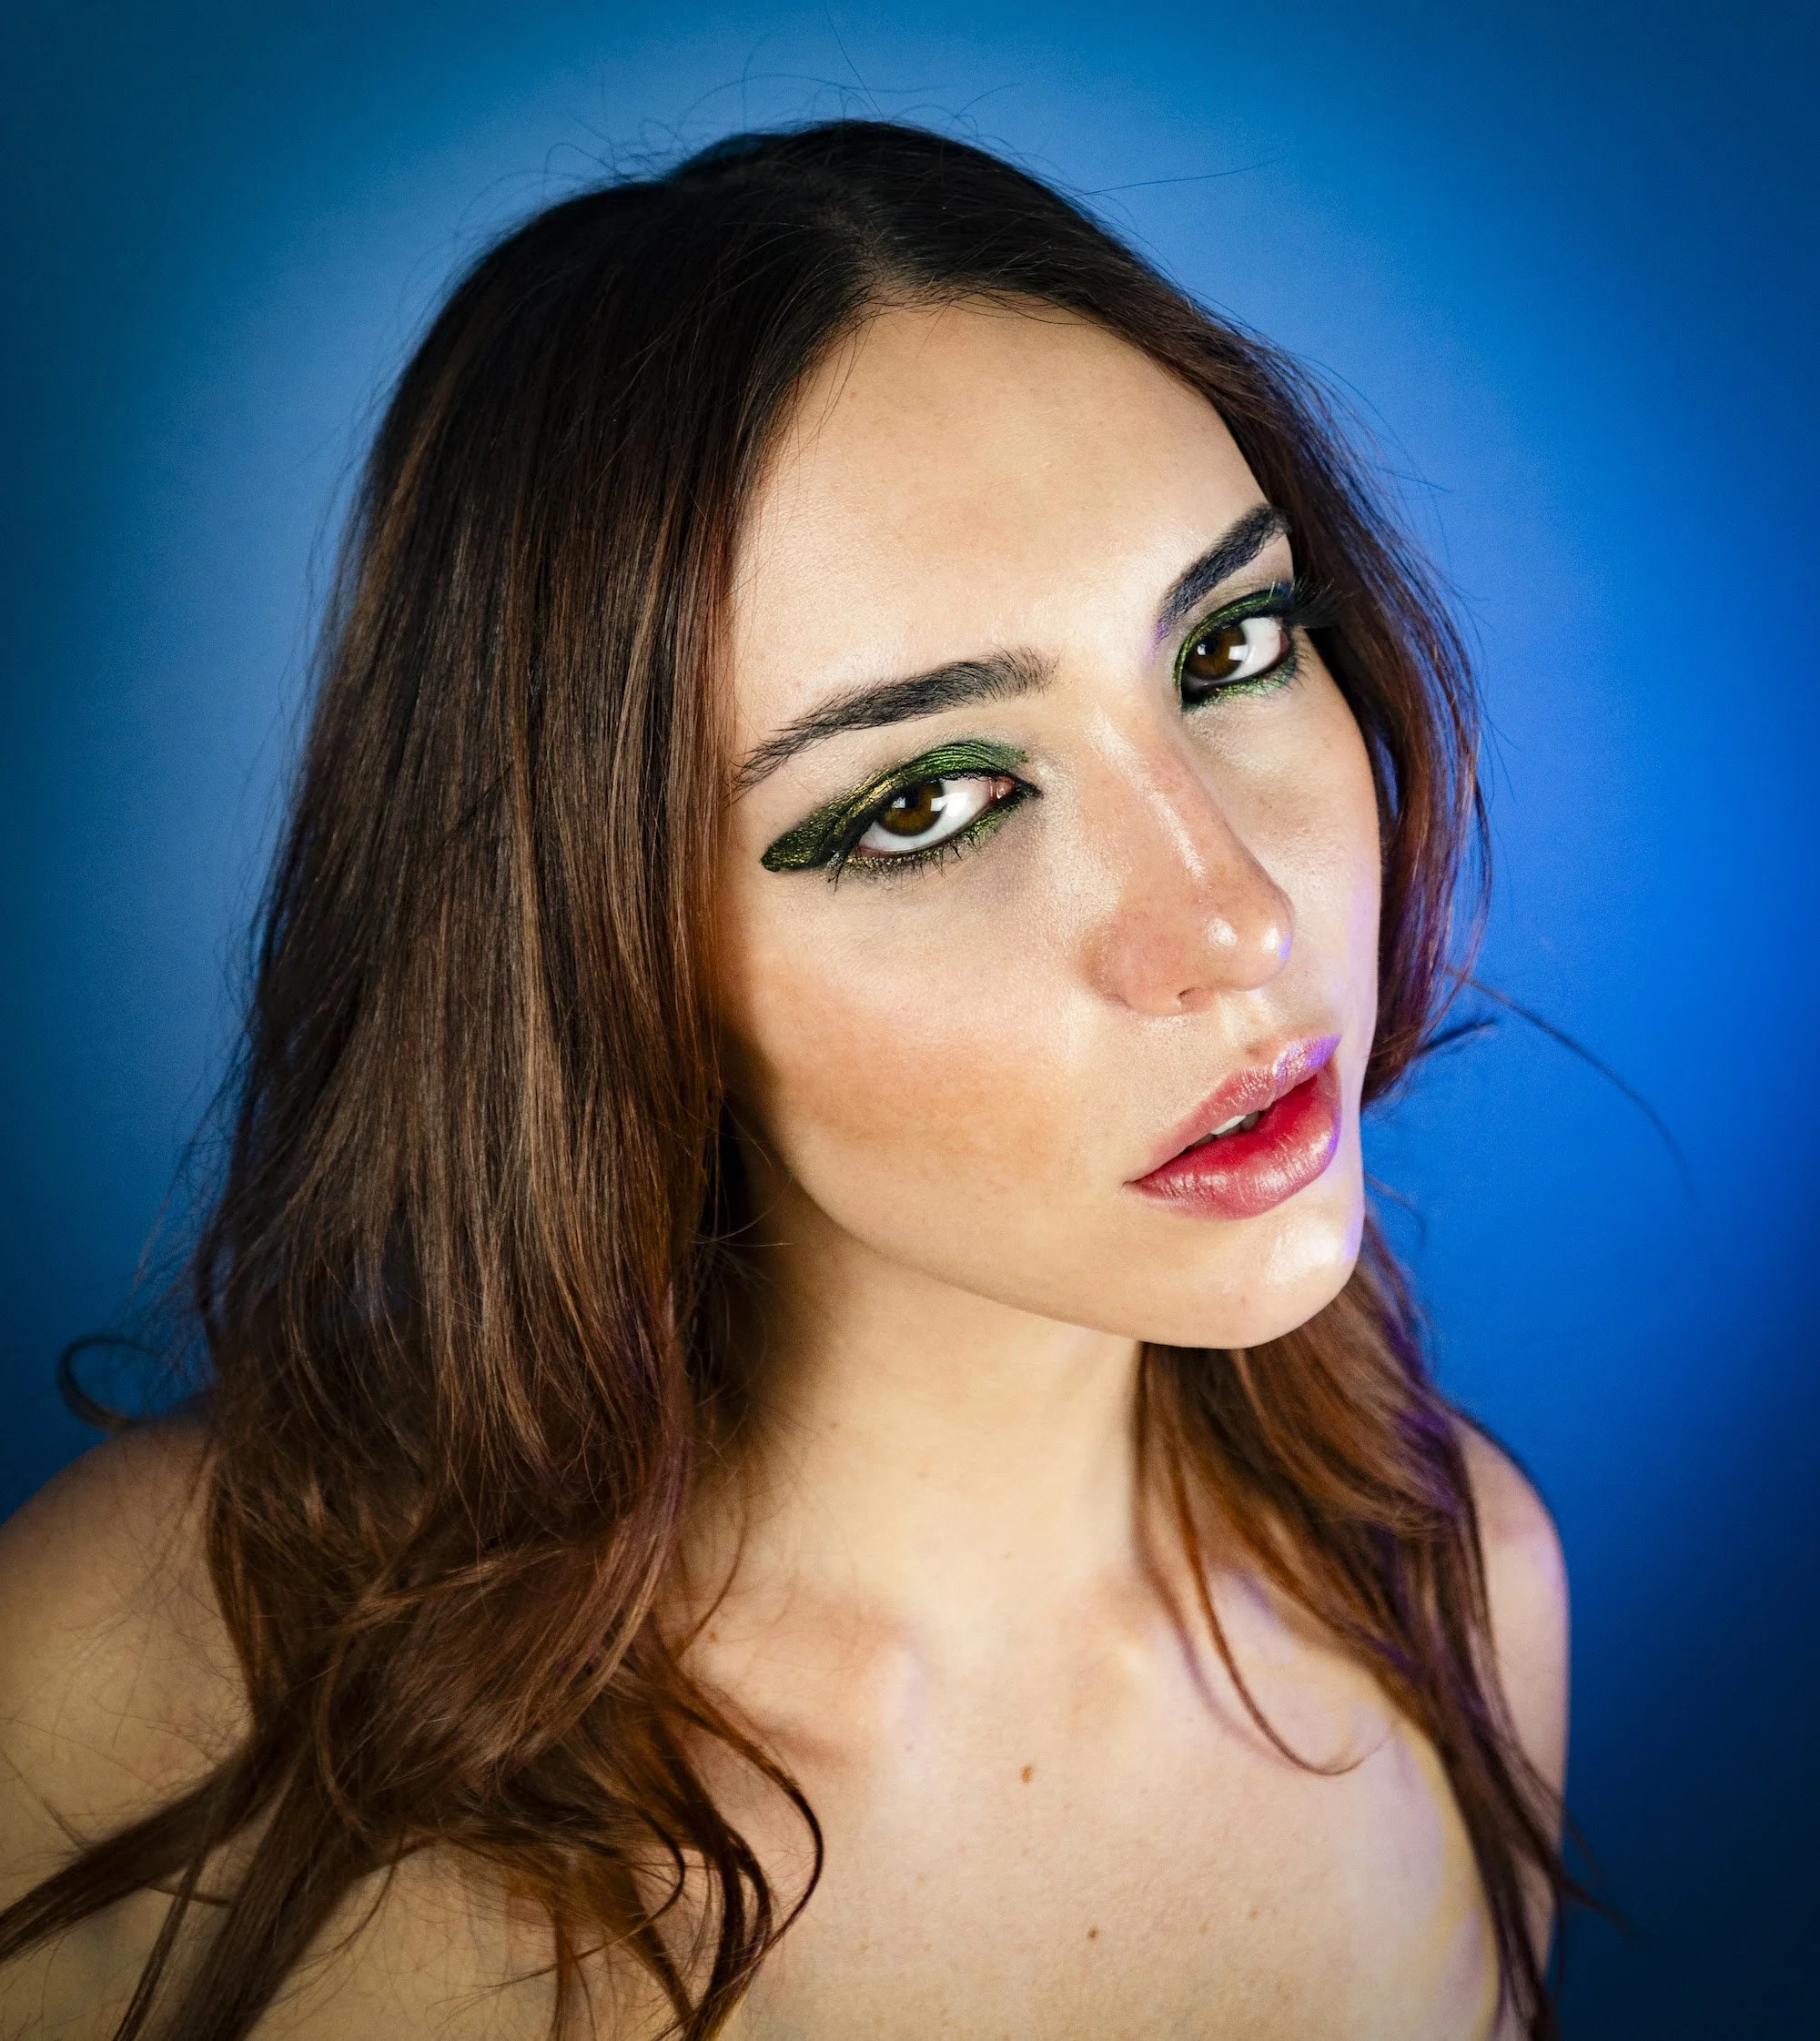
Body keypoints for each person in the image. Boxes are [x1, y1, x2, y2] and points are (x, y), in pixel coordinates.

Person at [0, 121, 1572, 2039]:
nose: (1237, 917)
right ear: (599, 952)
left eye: (1234, 644)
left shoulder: (1467, 1598)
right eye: (927, 803)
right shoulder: (121, 1700)